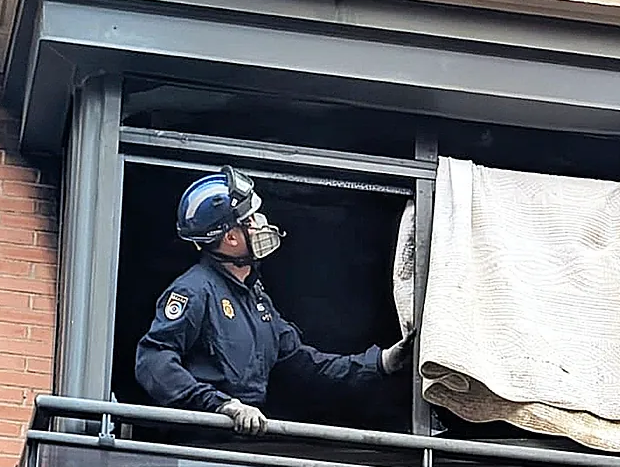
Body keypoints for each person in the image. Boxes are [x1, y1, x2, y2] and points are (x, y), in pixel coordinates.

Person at [135, 165, 413, 435]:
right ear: (231, 237)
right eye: (253, 219)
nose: (262, 223)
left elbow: (305, 362)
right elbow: (152, 359)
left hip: (242, 443)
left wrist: (380, 362)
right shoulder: (194, 291)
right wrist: (220, 405)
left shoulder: (256, 298)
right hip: (199, 447)